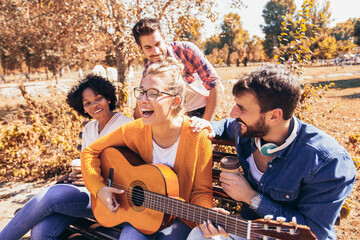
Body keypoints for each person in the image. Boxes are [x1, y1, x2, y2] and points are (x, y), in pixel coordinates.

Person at [187, 64, 356, 240]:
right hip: (248, 230)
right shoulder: (246, 129)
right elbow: (228, 124)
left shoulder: (327, 161)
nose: (233, 113)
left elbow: (314, 231)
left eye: (242, 108)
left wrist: (252, 198)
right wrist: (209, 126)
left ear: (274, 116)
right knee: (198, 235)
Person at [81, 58, 214, 240]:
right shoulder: (135, 130)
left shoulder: (198, 137)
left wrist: (208, 218)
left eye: (152, 94)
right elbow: (90, 152)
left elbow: (201, 192)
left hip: (180, 218)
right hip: (142, 214)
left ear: (175, 101)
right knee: (129, 236)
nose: (142, 100)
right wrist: (100, 188)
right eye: (141, 92)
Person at [0, 75, 132, 240]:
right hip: (91, 193)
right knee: (41, 228)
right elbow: (88, 165)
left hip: (114, 197)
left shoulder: (125, 126)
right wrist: (79, 176)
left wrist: (92, 179)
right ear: (83, 108)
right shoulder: (90, 128)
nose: (95, 105)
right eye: (88, 103)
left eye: (99, 98)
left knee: (50, 196)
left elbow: (132, 170)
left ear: (108, 98)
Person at [132, 18, 224, 121]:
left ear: (164, 39)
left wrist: (205, 123)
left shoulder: (186, 50)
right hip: (173, 117)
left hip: (201, 111)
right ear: (141, 49)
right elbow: (140, 109)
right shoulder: (149, 71)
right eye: (148, 47)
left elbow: (216, 86)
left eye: (158, 44)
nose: (156, 51)